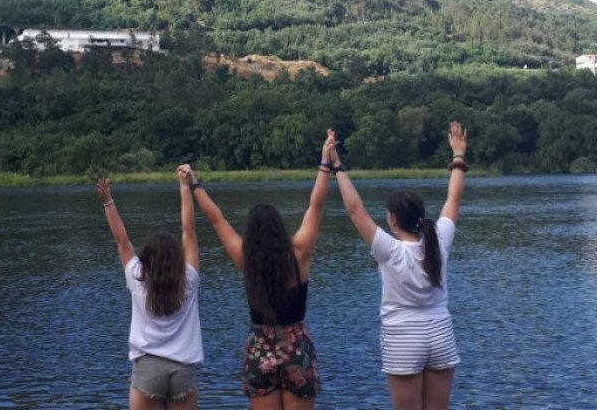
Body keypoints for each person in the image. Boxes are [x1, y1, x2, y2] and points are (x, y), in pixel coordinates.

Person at [178, 129, 336, 410]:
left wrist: (194, 184)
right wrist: (325, 163)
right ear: (279, 228)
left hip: (260, 347)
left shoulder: (245, 258)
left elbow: (217, 220)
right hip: (296, 347)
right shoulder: (298, 253)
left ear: (251, 233)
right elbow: (317, 205)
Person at [329, 121, 468, 410]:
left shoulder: (389, 250)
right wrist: (457, 155)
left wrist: (337, 166)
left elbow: (355, 210)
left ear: (392, 219)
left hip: (403, 339)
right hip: (441, 333)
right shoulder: (439, 238)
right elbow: (453, 197)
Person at [98, 171, 203, 410]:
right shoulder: (189, 278)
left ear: (146, 259)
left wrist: (108, 202)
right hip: (183, 370)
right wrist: (184, 187)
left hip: (148, 370)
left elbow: (122, 241)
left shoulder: (138, 278)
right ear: (177, 258)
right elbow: (189, 231)